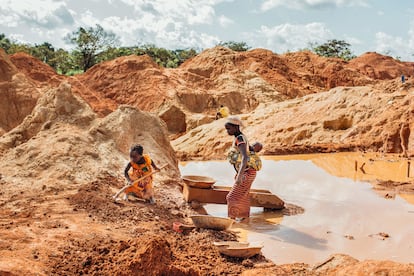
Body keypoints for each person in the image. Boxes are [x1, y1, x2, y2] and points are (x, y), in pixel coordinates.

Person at [224, 116, 258, 222]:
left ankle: (231, 221)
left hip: (246, 173)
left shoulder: (240, 139)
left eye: (228, 128)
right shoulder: (241, 137)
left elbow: (245, 157)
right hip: (248, 172)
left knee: (231, 197)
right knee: (243, 196)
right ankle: (244, 220)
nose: (227, 131)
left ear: (236, 127)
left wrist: (239, 176)